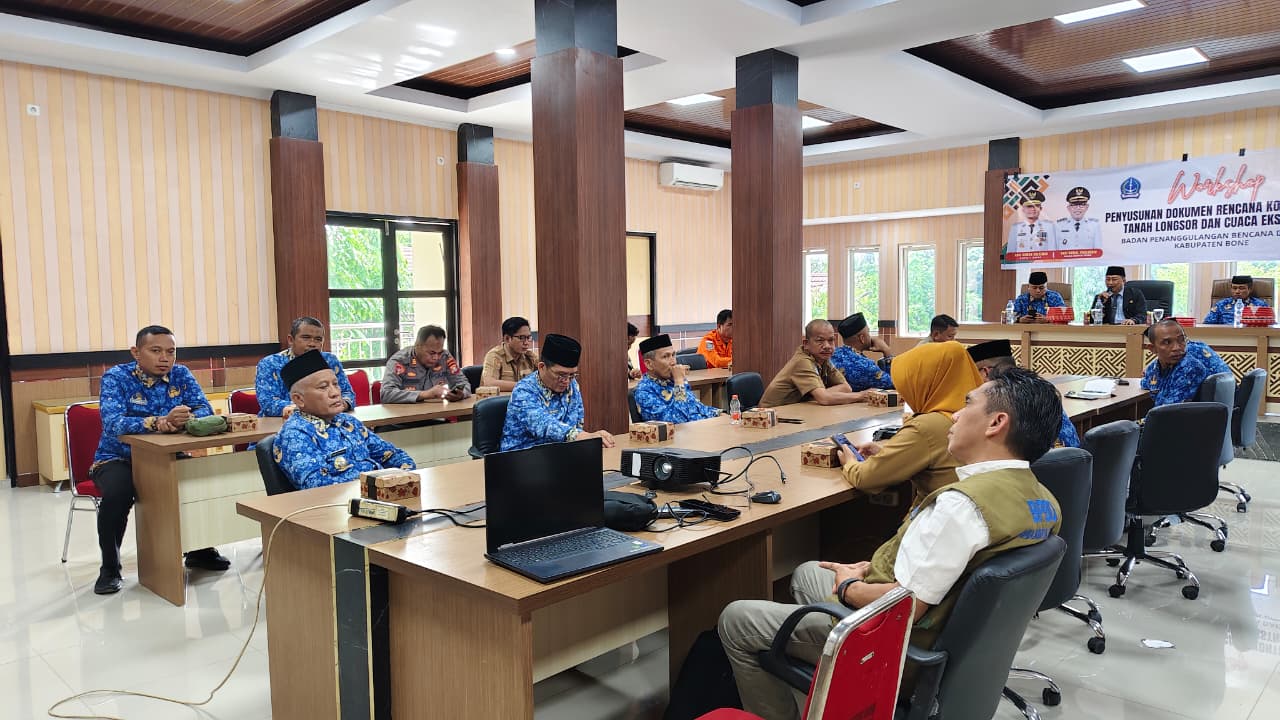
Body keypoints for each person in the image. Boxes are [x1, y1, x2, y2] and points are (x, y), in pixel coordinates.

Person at [719, 368, 1064, 719]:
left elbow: (907, 607)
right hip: (953, 638)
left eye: (967, 404)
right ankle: (829, 697)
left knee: (736, 619)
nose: (955, 415)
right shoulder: (1044, 501)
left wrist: (849, 587)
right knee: (808, 572)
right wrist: (869, 569)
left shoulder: (962, 506)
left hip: (899, 647)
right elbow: (951, 567)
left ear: (996, 423)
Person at [89, 326, 227, 595]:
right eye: (156, 351)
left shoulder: (181, 374)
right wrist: (158, 422)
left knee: (196, 481)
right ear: (136, 352)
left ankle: (198, 550)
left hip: (168, 455)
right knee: (118, 493)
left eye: (171, 352)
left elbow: (204, 409)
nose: (165, 358)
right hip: (118, 458)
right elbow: (113, 423)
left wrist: (186, 419)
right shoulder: (116, 377)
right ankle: (110, 568)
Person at [838, 341, 980, 508]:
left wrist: (849, 462)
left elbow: (865, 478)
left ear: (926, 381)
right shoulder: (981, 416)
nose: (905, 396)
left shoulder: (927, 426)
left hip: (936, 518)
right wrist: (887, 454)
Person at [272, 350, 416, 490]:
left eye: (335, 384)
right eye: (323, 387)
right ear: (299, 399)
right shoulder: (295, 434)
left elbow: (392, 455)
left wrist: (403, 477)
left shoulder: (348, 422)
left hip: (379, 494)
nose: (335, 393)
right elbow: (317, 487)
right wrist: (375, 484)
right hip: (340, 503)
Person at [500, 333, 616, 451]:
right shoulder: (523, 390)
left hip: (559, 454)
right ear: (542, 367)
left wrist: (593, 437)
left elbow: (576, 424)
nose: (566, 381)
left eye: (572, 375)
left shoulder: (572, 385)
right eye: (561, 375)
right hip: (521, 456)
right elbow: (542, 424)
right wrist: (580, 436)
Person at [967, 339, 1079, 448]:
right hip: (1071, 457)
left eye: (974, 373)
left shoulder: (998, 399)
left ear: (985, 372)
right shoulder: (1042, 388)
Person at [255, 316, 356, 416]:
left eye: (318, 339)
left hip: (328, 418)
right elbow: (268, 404)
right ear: (291, 340)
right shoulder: (270, 363)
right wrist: (316, 407)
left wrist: (341, 404)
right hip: (282, 421)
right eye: (306, 338)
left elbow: (348, 395)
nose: (312, 344)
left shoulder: (330, 361)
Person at [760, 320, 867, 407]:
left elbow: (846, 388)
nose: (827, 346)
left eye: (831, 340)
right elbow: (824, 399)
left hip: (798, 409)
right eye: (820, 340)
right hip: (771, 415)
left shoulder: (823, 358)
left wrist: (821, 395)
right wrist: (861, 395)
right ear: (806, 344)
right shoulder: (802, 361)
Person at [633, 334, 721, 424]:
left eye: (673, 355)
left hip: (701, 425)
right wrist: (679, 382)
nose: (673, 362)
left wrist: (718, 414)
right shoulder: (644, 391)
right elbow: (679, 421)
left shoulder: (672, 379)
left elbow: (696, 407)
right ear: (649, 364)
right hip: (682, 432)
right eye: (665, 356)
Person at [1141, 319, 1232, 406]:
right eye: (1167, 342)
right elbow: (1146, 383)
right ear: (1152, 348)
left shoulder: (1190, 365)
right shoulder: (1157, 366)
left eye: (1181, 340)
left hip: (1209, 414)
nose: (1176, 348)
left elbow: (1169, 410)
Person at [381, 325, 471, 403]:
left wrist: (461, 394)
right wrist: (425, 394)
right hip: (407, 416)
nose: (436, 357)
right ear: (417, 346)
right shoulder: (399, 361)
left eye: (439, 352)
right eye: (432, 353)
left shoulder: (445, 357)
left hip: (440, 413)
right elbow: (386, 394)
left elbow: (464, 383)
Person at [830, 313, 894, 392]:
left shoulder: (832, 354)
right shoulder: (865, 365)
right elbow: (894, 383)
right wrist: (887, 351)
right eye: (868, 333)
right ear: (862, 338)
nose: (870, 337)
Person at [480, 316, 539, 392]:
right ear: (507, 338)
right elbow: (489, 383)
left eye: (528, 338)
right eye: (522, 338)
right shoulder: (495, 356)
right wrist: (524, 385)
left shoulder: (530, 356)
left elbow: (545, 375)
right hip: (500, 399)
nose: (526, 343)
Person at [1006, 189, 1057, 255]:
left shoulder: (1049, 226)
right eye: (1029, 206)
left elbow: (1053, 252)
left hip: (1042, 261)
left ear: (1041, 208)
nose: (1033, 209)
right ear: (1023, 209)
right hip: (1021, 261)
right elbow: (1010, 253)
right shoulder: (1015, 228)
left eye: (1036, 206)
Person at [1203, 275, 1270, 324]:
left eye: (1241, 288)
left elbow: (1270, 326)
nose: (1237, 291)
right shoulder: (1221, 304)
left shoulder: (1260, 305)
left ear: (1250, 289)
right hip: (1226, 336)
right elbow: (1207, 324)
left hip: (1251, 337)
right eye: (1234, 288)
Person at [1055, 186, 1101, 251]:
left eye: (1081, 204)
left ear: (1087, 207)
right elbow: (1055, 251)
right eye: (1074, 205)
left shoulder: (1094, 225)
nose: (1078, 208)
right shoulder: (1059, 225)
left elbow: (1098, 251)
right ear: (1068, 208)